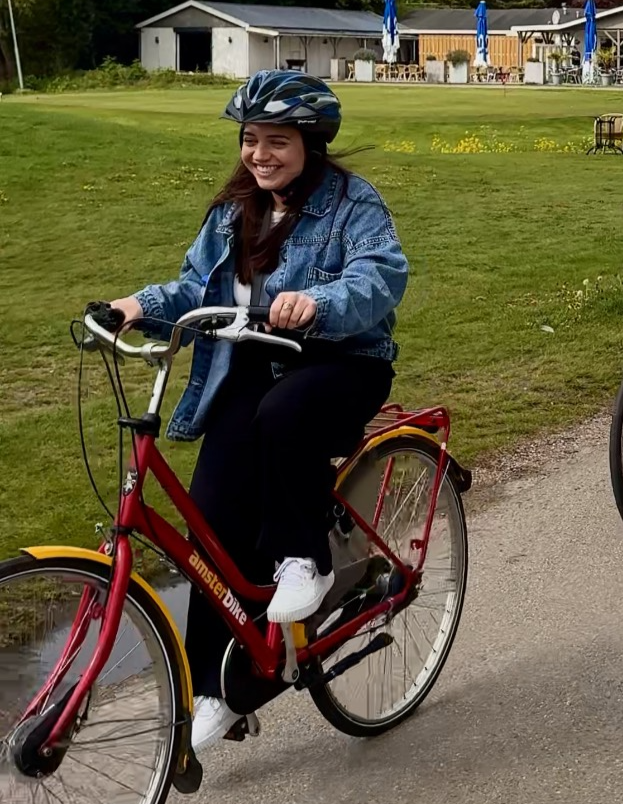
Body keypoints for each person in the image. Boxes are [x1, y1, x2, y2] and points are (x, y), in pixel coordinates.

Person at [105, 70, 408, 751]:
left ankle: (307, 559)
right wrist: (138, 307)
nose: (260, 154)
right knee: (211, 525)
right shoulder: (233, 211)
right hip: (250, 363)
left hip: (341, 361)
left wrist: (318, 303)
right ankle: (220, 688)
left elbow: (380, 276)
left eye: (277, 141)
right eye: (250, 139)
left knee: (283, 418)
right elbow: (194, 286)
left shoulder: (353, 204)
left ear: (311, 142)